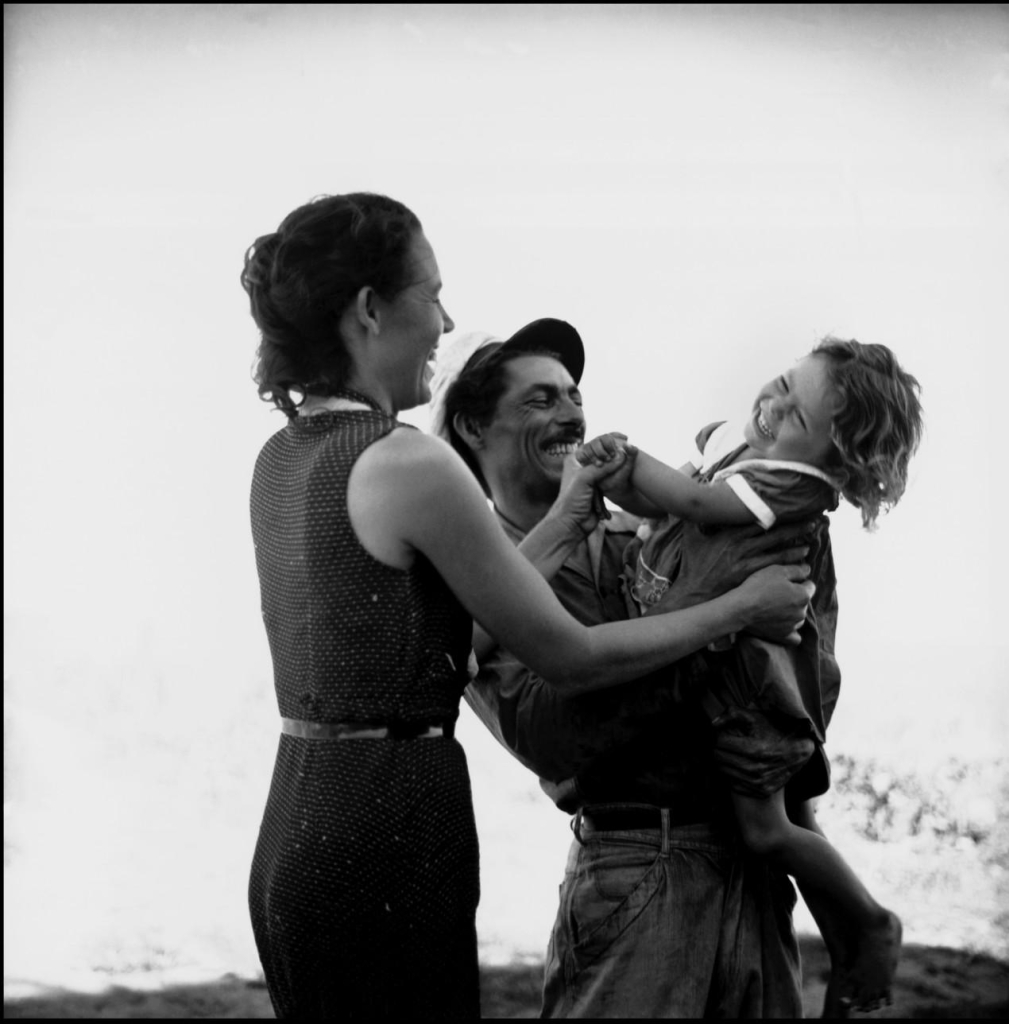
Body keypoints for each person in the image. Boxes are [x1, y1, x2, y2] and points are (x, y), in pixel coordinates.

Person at [239, 193, 814, 1020]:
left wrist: (554, 523)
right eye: (430, 294)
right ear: (368, 310)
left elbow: (440, 627)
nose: (443, 321)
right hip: (388, 822)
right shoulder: (408, 460)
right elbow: (566, 655)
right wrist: (740, 607)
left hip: (300, 815)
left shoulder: (283, 457)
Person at [429, 323, 824, 1018]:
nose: (570, 415)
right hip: (638, 867)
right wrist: (726, 616)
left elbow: (790, 693)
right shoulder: (471, 584)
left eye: (574, 395)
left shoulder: (653, 535)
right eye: (539, 400)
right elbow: (552, 735)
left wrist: (835, 902)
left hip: (753, 870)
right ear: (470, 425)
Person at [577, 337, 923, 1013]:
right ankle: (845, 932)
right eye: (781, 384)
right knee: (786, 816)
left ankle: (868, 920)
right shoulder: (748, 452)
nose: (771, 405)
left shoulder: (790, 487)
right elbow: (676, 501)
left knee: (767, 827)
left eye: (796, 415)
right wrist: (634, 497)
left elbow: (696, 505)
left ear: (835, 455)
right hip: (730, 672)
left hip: (749, 694)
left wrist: (626, 461)